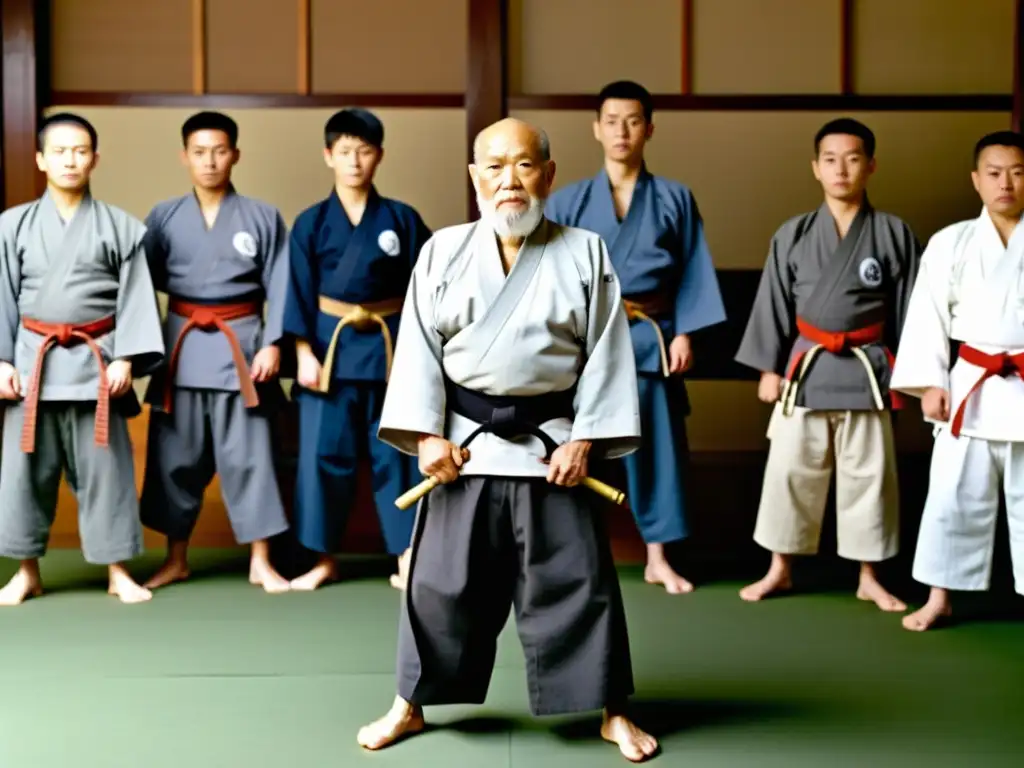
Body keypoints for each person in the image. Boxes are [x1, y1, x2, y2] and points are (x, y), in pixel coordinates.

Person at [355, 117, 659, 763]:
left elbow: (608, 354)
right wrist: (427, 436)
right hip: (461, 449)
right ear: (475, 178)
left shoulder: (585, 251)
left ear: (547, 175)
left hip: (553, 448)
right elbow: (416, 353)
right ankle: (409, 704)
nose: (508, 181)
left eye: (523, 165)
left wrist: (586, 441)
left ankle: (613, 709)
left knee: (579, 584)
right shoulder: (441, 250)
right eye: (493, 167)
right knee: (437, 586)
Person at [546, 80, 726, 595]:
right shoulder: (568, 201)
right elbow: (549, 277)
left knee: (659, 450)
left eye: (632, 121)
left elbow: (693, 269)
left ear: (649, 128)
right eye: (611, 120)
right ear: (596, 129)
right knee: (575, 444)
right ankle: (572, 557)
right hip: (587, 342)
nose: (622, 131)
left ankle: (658, 555)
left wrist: (686, 332)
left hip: (652, 337)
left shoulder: (674, 198)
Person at [734, 118, 921, 611]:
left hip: (867, 369)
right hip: (807, 367)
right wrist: (768, 369)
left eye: (853, 158)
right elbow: (772, 302)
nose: (842, 169)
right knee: (790, 471)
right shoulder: (793, 233)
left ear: (871, 165)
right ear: (816, 168)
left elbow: (910, 313)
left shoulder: (893, 232)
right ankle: (781, 568)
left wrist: (912, 374)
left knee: (870, 476)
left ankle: (869, 575)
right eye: (831, 159)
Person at [0, 112, 164, 605]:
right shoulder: (13, 225)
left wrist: (128, 359)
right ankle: (26, 570)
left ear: (95, 158)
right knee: (24, 472)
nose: (70, 160)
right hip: (33, 366)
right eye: (60, 151)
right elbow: (3, 296)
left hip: (97, 367)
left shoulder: (120, 227)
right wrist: (2, 361)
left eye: (80, 151)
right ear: (41, 159)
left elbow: (135, 297)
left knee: (107, 473)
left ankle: (117, 571)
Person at [138, 111, 292, 593]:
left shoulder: (262, 217)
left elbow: (283, 285)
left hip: (241, 347)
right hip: (182, 349)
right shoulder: (163, 217)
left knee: (252, 458)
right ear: (185, 156)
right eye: (199, 152)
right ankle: (176, 557)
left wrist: (273, 344)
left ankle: (261, 561)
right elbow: (140, 289)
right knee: (174, 459)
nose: (210, 161)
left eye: (220, 151)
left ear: (235, 155)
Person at [282, 109, 431, 591]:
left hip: (390, 354)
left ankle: (406, 554)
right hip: (328, 355)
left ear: (379, 156)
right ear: (328, 156)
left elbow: (425, 290)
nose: (354, 161)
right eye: (344, 151)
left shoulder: (402, 220)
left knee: (398, 458)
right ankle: (322, 558)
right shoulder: (310, 223)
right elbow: (297, 291)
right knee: (322, 457)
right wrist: (301, 352)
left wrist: (420, 358)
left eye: (364, 151)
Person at [890, 130, 1024, 631]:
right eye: (994, 172)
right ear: (976, 179)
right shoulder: (952, 243)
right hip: (972, 382)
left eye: (1016, 171)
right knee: (950, 495)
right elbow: (926, 316)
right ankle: (939, 596)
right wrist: (930, 381)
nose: (1005, 183)